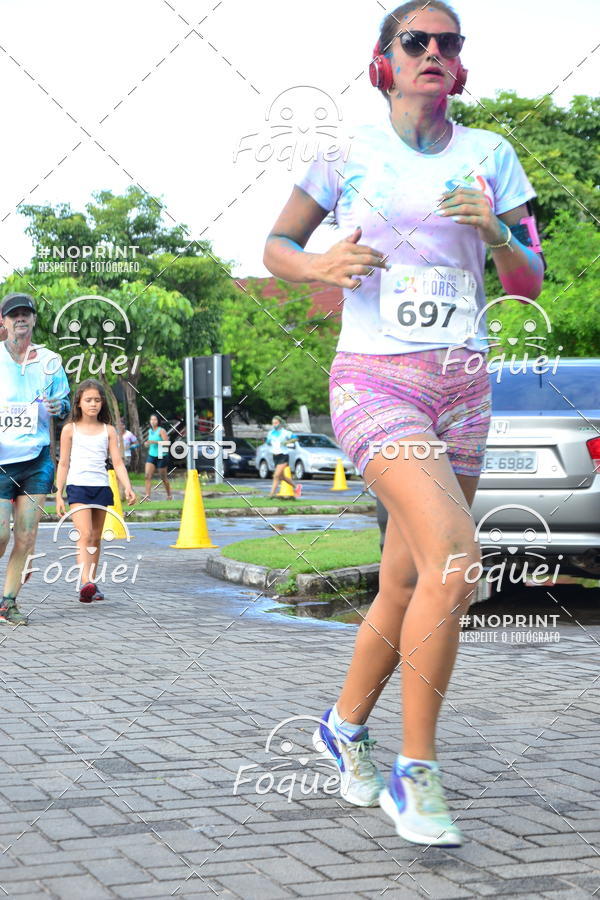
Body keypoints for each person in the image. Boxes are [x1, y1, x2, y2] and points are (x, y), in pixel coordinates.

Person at [263, 0, 545, 846]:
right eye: (415, 40)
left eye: (448, 43)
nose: (433, 52)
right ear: (384, 62)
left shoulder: (492, 154)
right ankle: (414, 773)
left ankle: (343, 726)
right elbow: (276, 247)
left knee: (408, 579)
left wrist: (498, 233)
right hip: (374, 380)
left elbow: (528, 280)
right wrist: (320, 264)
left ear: (460, 65)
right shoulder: (344, 152)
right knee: (456, 561)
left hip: (463, 387)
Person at [0, 292, 71, 626]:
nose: (20, 319)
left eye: (25, 314)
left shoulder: (50, 360)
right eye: (14, 314)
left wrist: (60, 406)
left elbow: (66, 403)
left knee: (26, 536)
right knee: (1, 536)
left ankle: (8, 603)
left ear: (33, 320)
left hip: (36, 460)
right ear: (3, 321)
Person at [55, 379, 136, 602]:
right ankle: (85, 583)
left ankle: (92, 583)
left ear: (102, 403)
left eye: (97, 400)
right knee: (85, 534)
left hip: (101, 487)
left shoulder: (109, 430)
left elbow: (117, 462)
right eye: (88, 400)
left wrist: (128, 486)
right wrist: (59, 493)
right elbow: (63, 463)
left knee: (96, 538)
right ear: (79, 403)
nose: (93, 404)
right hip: (77, 487)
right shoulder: (69, 429)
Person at [266, 416, 302, 499]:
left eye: (276, 423)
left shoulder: (285, 432)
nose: (274, 425)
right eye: (273, 423)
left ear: (280, 423)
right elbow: (268, 442)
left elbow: (295, 438)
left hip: (283, 455)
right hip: (275, 456)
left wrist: (287, 442)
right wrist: (268, 442)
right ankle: (297, 487)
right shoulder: (271, 433)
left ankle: (271, 494)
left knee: (276, 475)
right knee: (281, 477)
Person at [143, 414, 173, 501]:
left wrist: (155, 442)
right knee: (147, 476)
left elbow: (167, 443)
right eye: (151, 420)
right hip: (151, 455)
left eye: (155, 420)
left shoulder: (161, 430)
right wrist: (146, 443)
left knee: (163, 478)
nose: (153, 421)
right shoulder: (150, 431)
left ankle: (169, 495)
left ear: (158, 421)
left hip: (161, 456)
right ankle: (147, 496)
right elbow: (150, 442)